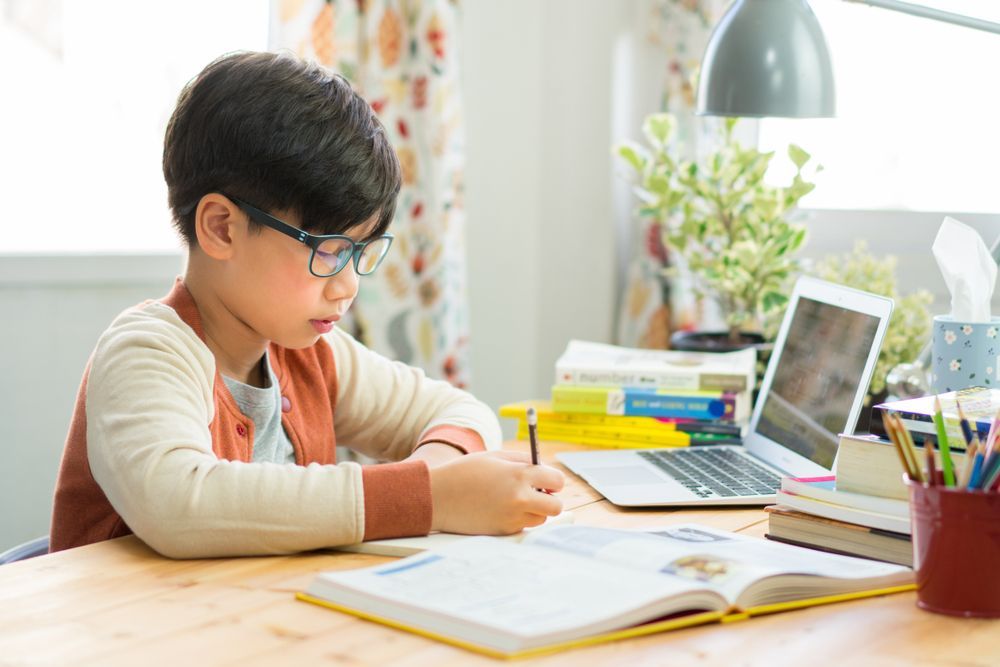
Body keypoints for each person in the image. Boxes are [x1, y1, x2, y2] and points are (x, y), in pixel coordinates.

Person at [49, 51, 564, 558]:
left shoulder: (308, 351)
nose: (346, 287)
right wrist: (428, 497)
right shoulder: (146, 352)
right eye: (327, 252)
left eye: (359, 252)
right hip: (138, 634)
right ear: (221, 228)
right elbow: (179, 502)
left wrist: (437, 473)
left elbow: (459, 410)